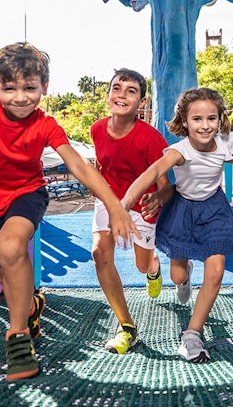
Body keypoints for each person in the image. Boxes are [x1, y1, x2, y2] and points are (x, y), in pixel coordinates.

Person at [0, 43, 138, 382]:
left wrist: (114, 205)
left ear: (44, 88)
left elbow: (77, 163)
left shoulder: (45, 124)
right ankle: (31, 306)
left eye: (30, 88)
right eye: (10, 88)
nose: (20, 97)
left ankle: (18, 341)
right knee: (6, 274)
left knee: (11, 246)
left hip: (27, 195)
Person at [121, 87, 233, 363]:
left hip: (214, 209)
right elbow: (153, 172)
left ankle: (192, 334)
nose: (205, 125)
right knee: (178, 277)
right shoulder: (178, 151)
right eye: (197, 119)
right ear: (184, 121)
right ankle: (186, 272)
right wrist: (123, 205)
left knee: (216, 270)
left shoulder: (223, 142)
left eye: (211, 118)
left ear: (219, 119)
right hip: (183, 210)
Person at [90, 68, 174, 355]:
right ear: (108, 94)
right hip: (109, 199)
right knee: (100, 252)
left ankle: (154, 268)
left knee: (141, 265)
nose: (122, 95)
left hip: (142, 208)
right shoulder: (97, 129)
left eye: (131, 91)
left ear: (142, 101)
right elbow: (103, 166)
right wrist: (97, 184)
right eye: (117, 88)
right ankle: (127, 326)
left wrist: (159, 197)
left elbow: (167, 187)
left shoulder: (152, 139)